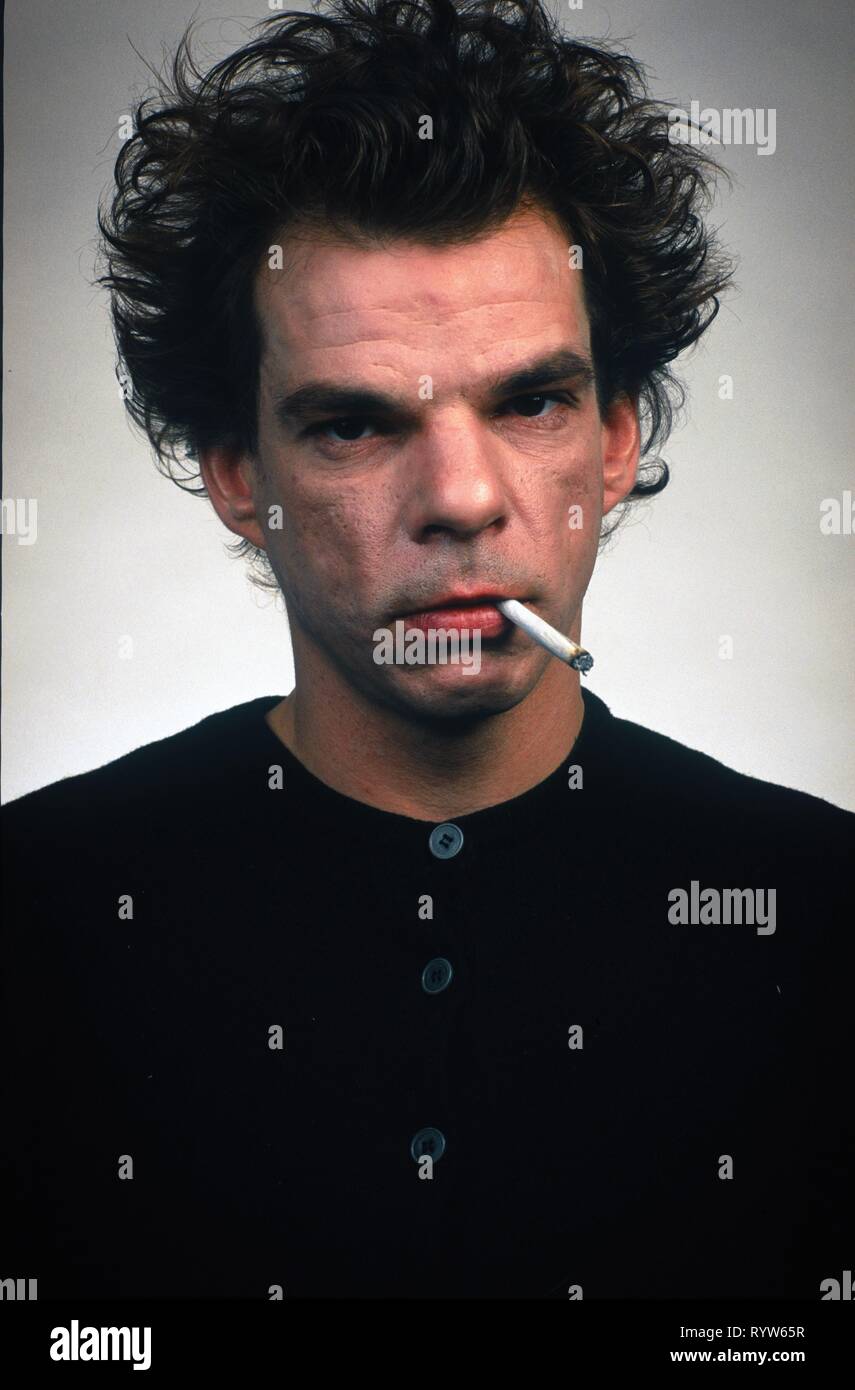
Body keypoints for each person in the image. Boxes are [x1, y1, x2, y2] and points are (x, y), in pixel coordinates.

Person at [2, 0, 851, 1300]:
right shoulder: (36, 923)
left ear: (617, 443)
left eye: (531, 401)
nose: (460, 496)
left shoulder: (825, 923)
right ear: (238, 473)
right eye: (354, 426)